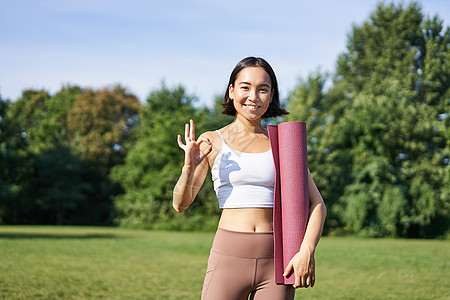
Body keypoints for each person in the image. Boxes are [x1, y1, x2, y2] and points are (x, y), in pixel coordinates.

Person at [173, 57, 326, 300]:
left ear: (271, 95)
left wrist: (307, 250)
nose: (253, 96)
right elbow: (180, 205)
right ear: (231, 91)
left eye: (262, 89)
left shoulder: (284, 144)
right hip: (228, 257)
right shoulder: (211, 141)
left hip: (277, 262)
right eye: (245, 87)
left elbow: (316, 203)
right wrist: (189, 167)